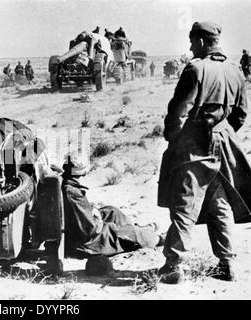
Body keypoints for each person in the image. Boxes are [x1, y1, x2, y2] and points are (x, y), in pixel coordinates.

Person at [157, 21, 251, 284]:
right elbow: (241, 114)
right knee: (218, 202)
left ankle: (174, 265)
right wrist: (222, 131)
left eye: (191, 41)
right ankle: (227, 263)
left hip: (194, 145)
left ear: (200, 41)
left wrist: (175, 138)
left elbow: (178, 111)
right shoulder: (235, 71)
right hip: (224, 144)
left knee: (184, 204)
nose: (189, 46)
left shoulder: (195, 69)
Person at [61, 152, 165, 259]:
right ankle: (154, 238)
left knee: (112, 211)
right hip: (87, 242)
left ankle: (139, 231)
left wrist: (92, 209)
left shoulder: (68, 185)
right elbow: (91, 229)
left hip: (79, 231)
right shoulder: (73, 192)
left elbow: (80, 212)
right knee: (128, 232)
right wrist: (104, 223)